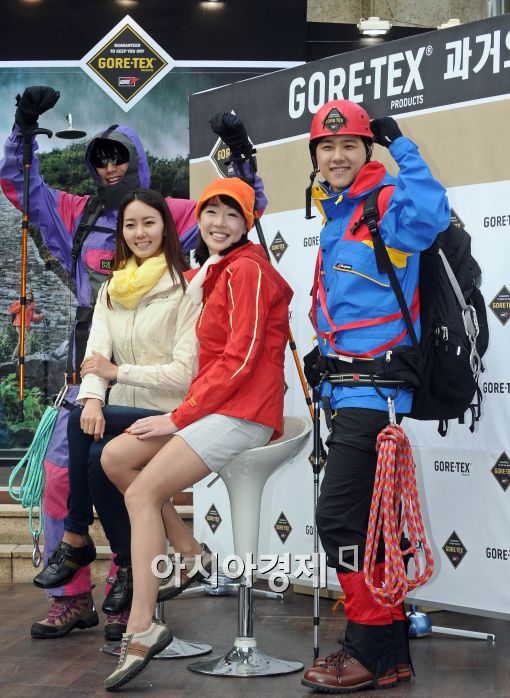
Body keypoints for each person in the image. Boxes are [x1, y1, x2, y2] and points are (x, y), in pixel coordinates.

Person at [0, 86, 198, 641]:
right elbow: (19, 183)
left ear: (138, 163)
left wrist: (241, 163)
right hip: (90, 366)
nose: (110, 168)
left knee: (117, 477)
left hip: (148, 379)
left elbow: (232, 215)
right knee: (61, 477)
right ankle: (71, 597)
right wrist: (23, 128)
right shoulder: (75, 212)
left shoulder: (171, 212)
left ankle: (127, 591)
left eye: (120, 157)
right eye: (101, 159)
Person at [99, 176, 293, 691]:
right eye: (211, 212)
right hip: (214, 409)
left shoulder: (248, 270)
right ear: (198, 218)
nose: (219, 223)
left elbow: (241, 361)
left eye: (232, 214)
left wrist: (178, 416)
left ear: (248, 222)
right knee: (115, 458)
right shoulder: (212, 271)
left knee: (141, 492)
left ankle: (141, 626)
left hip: (244, 413)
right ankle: (188, 552)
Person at [300, 100, 450, 693]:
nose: (337, 156)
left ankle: (365, 645)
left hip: (376, 395)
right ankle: (388, 654)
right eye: (326, 147)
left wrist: (402, 145)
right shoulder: (335, 217)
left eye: (349, 146)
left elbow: (430, 214)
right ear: (315, 156)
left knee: (337, 521)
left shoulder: (384, 204)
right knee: (369, 528)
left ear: (367, 150)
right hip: (345, 393)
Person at [31, 188, 201, 629]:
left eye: (149, 222)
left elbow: (183, 374)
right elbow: (95, 356)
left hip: (170, 414)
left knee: (90, 445)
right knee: (90, 446)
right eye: (131, 225)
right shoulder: (111, 289)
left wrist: (117, 373)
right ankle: (122, 563)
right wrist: (92, 397)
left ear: (166, 228)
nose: (140, 232)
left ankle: (79, 539)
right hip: (122, 413)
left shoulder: (187, 287)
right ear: (121, 233)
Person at [9, 290, 44, 360]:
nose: (29, 295)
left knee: (21, 342)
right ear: (24, 295)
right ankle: (27, 356)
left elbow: (32, 318)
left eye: (30, 295)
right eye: (28, 294)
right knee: (28, 339)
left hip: (25, 326)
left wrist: (40, 316)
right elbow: (11, 310)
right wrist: (21, 305)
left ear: (32, 297)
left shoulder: (31, 307)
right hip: (19, 325)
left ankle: (14, 358)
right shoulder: (19, 302)